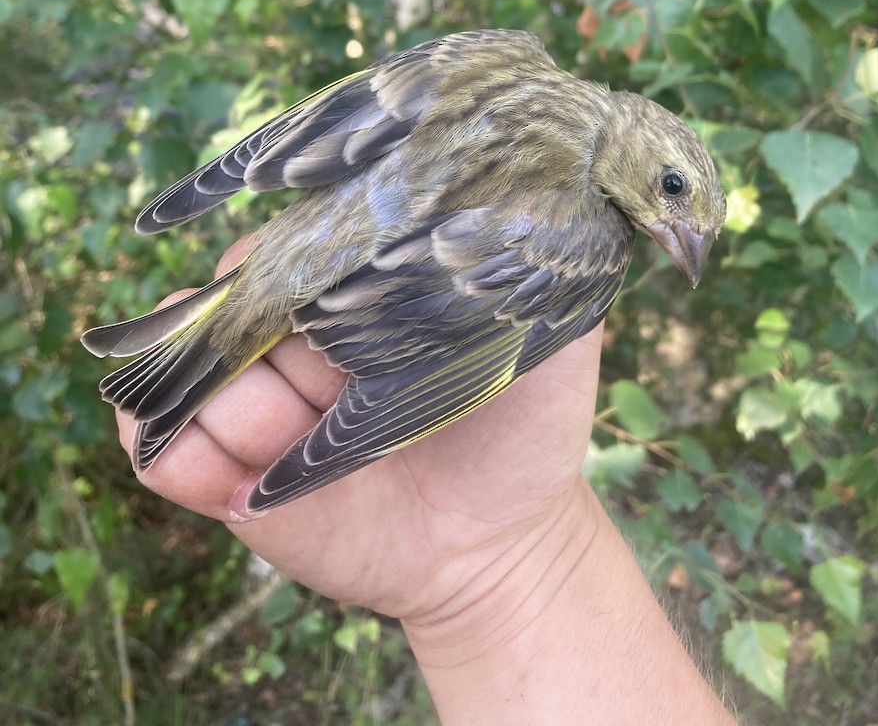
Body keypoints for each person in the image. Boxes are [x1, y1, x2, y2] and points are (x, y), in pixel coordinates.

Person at [114, 235, 739, 725]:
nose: (680, 239)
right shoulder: (592, 244)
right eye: (673, 192)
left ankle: (203, 344)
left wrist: (506, 560)